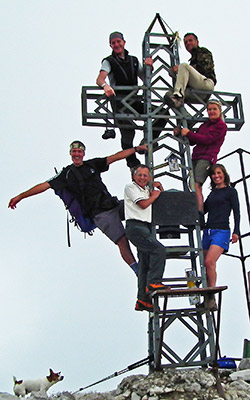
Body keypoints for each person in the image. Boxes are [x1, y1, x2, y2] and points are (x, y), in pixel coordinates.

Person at [8, 140, 147, 275]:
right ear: (70, 153)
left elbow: (115, 157)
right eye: (74, 151)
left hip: (112, 204)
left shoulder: (92, 164)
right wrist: (20, 196)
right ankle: (137, 271)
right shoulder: (66, 174)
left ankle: (155, 236)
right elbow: (43, 186)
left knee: (140, 205)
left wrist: (135, 149)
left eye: (79, 151)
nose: (77, 154)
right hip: (100, 214)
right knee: (122, 240)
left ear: (83, 153)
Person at [96, 31, 168, 168]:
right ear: (110, 45)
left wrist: (149, 67)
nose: (116, 45)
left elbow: (145, 78)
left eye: (118, 41)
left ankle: (148, 139)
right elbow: (100, 79)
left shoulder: (133, 61)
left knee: (162, 113)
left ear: (124, 42)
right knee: (128, 131)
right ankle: (133, 164)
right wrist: (105, 86)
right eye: (113, 43)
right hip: (119, 102)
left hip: (133, 100)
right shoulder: (109, 61)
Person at [174, 99, 227, 225]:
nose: (211, 112)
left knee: (197, 184)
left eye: (214, 109)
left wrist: (189, 133)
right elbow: (193, 140)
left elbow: (207, 139)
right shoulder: (205, 125)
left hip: (207, 158)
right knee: (191, 184)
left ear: (220, 111)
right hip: (196, 157)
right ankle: (193, 210)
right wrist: (181, 134)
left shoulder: (221, 126)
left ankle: (199, 213)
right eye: (209, 109)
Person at [124, 164, 166, 312]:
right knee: (159, 250)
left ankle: (143, 299)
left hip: (145, 226)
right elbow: (143, 204)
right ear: (134, 176)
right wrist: (154, 195)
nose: (142, 178)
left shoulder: (146, 190)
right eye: (139, 175)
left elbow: (159, 200)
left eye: (145, 175)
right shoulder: (131, 188)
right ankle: (154, 282)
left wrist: (158, 189)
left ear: (149, 178)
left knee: (144, 263)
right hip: (136, 226)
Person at [202, 164, 240, 309]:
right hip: (208, 231)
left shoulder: (231, 191)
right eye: (213, 174)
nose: (216, 176)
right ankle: (206, 295)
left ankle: (211, 295)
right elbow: (204, 209)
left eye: (218, 173)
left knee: (209, 262)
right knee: (205, 264)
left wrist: (236, 231)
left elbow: (237, 212)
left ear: (224, 174)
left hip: (222, 230)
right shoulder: (212, 193)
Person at [164, 32, 216, 108]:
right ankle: (185, 116)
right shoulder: (192, 60)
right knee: (170, 96)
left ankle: (178, 95)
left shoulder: (204, 52)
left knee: (183, 66)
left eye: (190, 40)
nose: (188, 43)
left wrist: (181, 69)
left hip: (206, 84)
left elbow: (203, 69)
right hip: (197, 92)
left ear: (197, 42)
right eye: (185, 42)